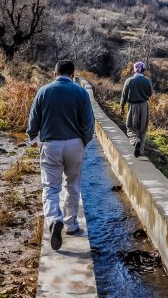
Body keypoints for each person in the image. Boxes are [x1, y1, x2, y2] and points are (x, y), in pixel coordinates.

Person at [27, 60, 95, 251]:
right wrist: (83, 141)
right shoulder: (81, 92)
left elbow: (34, 120)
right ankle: (71, 225)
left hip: (50, 144)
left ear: (54, 73)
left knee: (50, 188)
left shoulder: (43, 91)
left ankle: (54, 219)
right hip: (74, 144)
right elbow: (89, 123)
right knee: (72, 185)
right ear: (73, 74)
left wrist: (33, 137)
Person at [120, 61, 153, 157]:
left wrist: (122, 106)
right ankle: (141, 150)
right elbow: (150, 93)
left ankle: (135, 141)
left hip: (132, 106)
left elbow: (124, 95)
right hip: (144, 106)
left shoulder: (129, 81)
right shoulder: (147, 81)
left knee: (130, 126)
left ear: (134, 69)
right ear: (143, 70)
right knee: (143, 128)